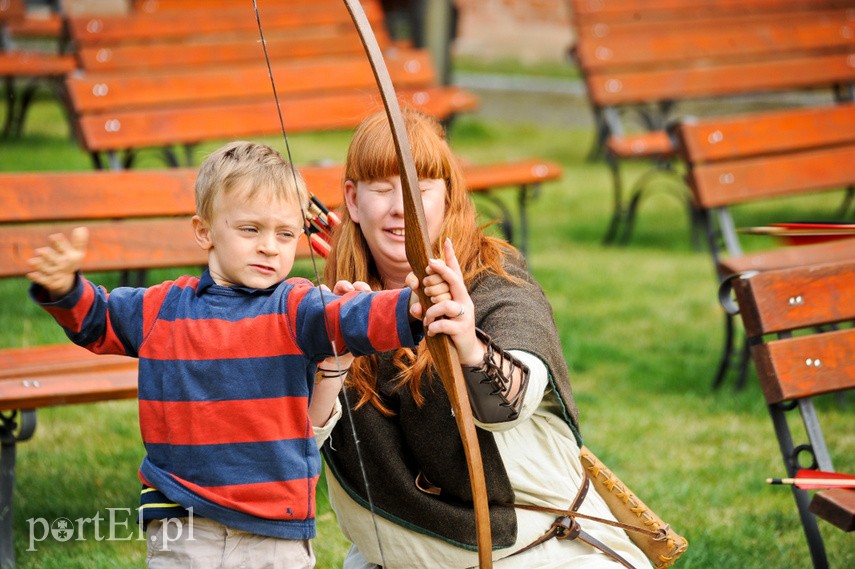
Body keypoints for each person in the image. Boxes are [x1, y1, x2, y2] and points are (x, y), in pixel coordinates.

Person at [26, 141, 452, 569]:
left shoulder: (297, 307)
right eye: (250, 229)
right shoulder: (160, 309)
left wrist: (409, 305)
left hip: (273, 530)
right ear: (204, 230)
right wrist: (65, 290)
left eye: (285, 234)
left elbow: (349, 317)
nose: (269, 246)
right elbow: (97, 319)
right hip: (183, 518)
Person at [312, 110, 653, 568]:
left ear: (446, 196)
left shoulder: (496, 278)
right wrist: (333, 357)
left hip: (542, 548)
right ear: (352, 200)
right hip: (398, 553)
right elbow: (283, 443)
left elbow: (511, 402)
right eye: (381, 188)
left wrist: (469, 346)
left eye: (418, 189)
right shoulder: (326, 305)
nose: (400, 208)